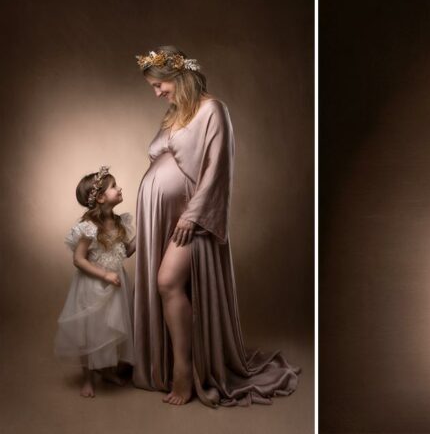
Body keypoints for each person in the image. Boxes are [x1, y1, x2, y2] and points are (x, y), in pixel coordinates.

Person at [132, 46, 300, 406]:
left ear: (178, 77)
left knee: (167, 281)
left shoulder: (212, 110)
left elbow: (217, 167)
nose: (157, 92)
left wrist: (193, 215)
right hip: (161, 217)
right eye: (153, 86)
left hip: (189, 216)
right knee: (166, 286)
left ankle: (184, 370)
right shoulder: (173, 114)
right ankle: (172, 363)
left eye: (159, 84)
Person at [56, 166, 135, 398]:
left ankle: (106, 370)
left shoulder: (120, 221)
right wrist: (105, 275)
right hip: (93, 285)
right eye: (114, 186)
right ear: (101, 197)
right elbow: (78, 260)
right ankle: (88, 378)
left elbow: (126, 251)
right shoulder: (89, 227)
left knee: (108, 330)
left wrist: (146, 235)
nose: (119, 188)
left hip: (115, 286)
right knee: (91, 332)